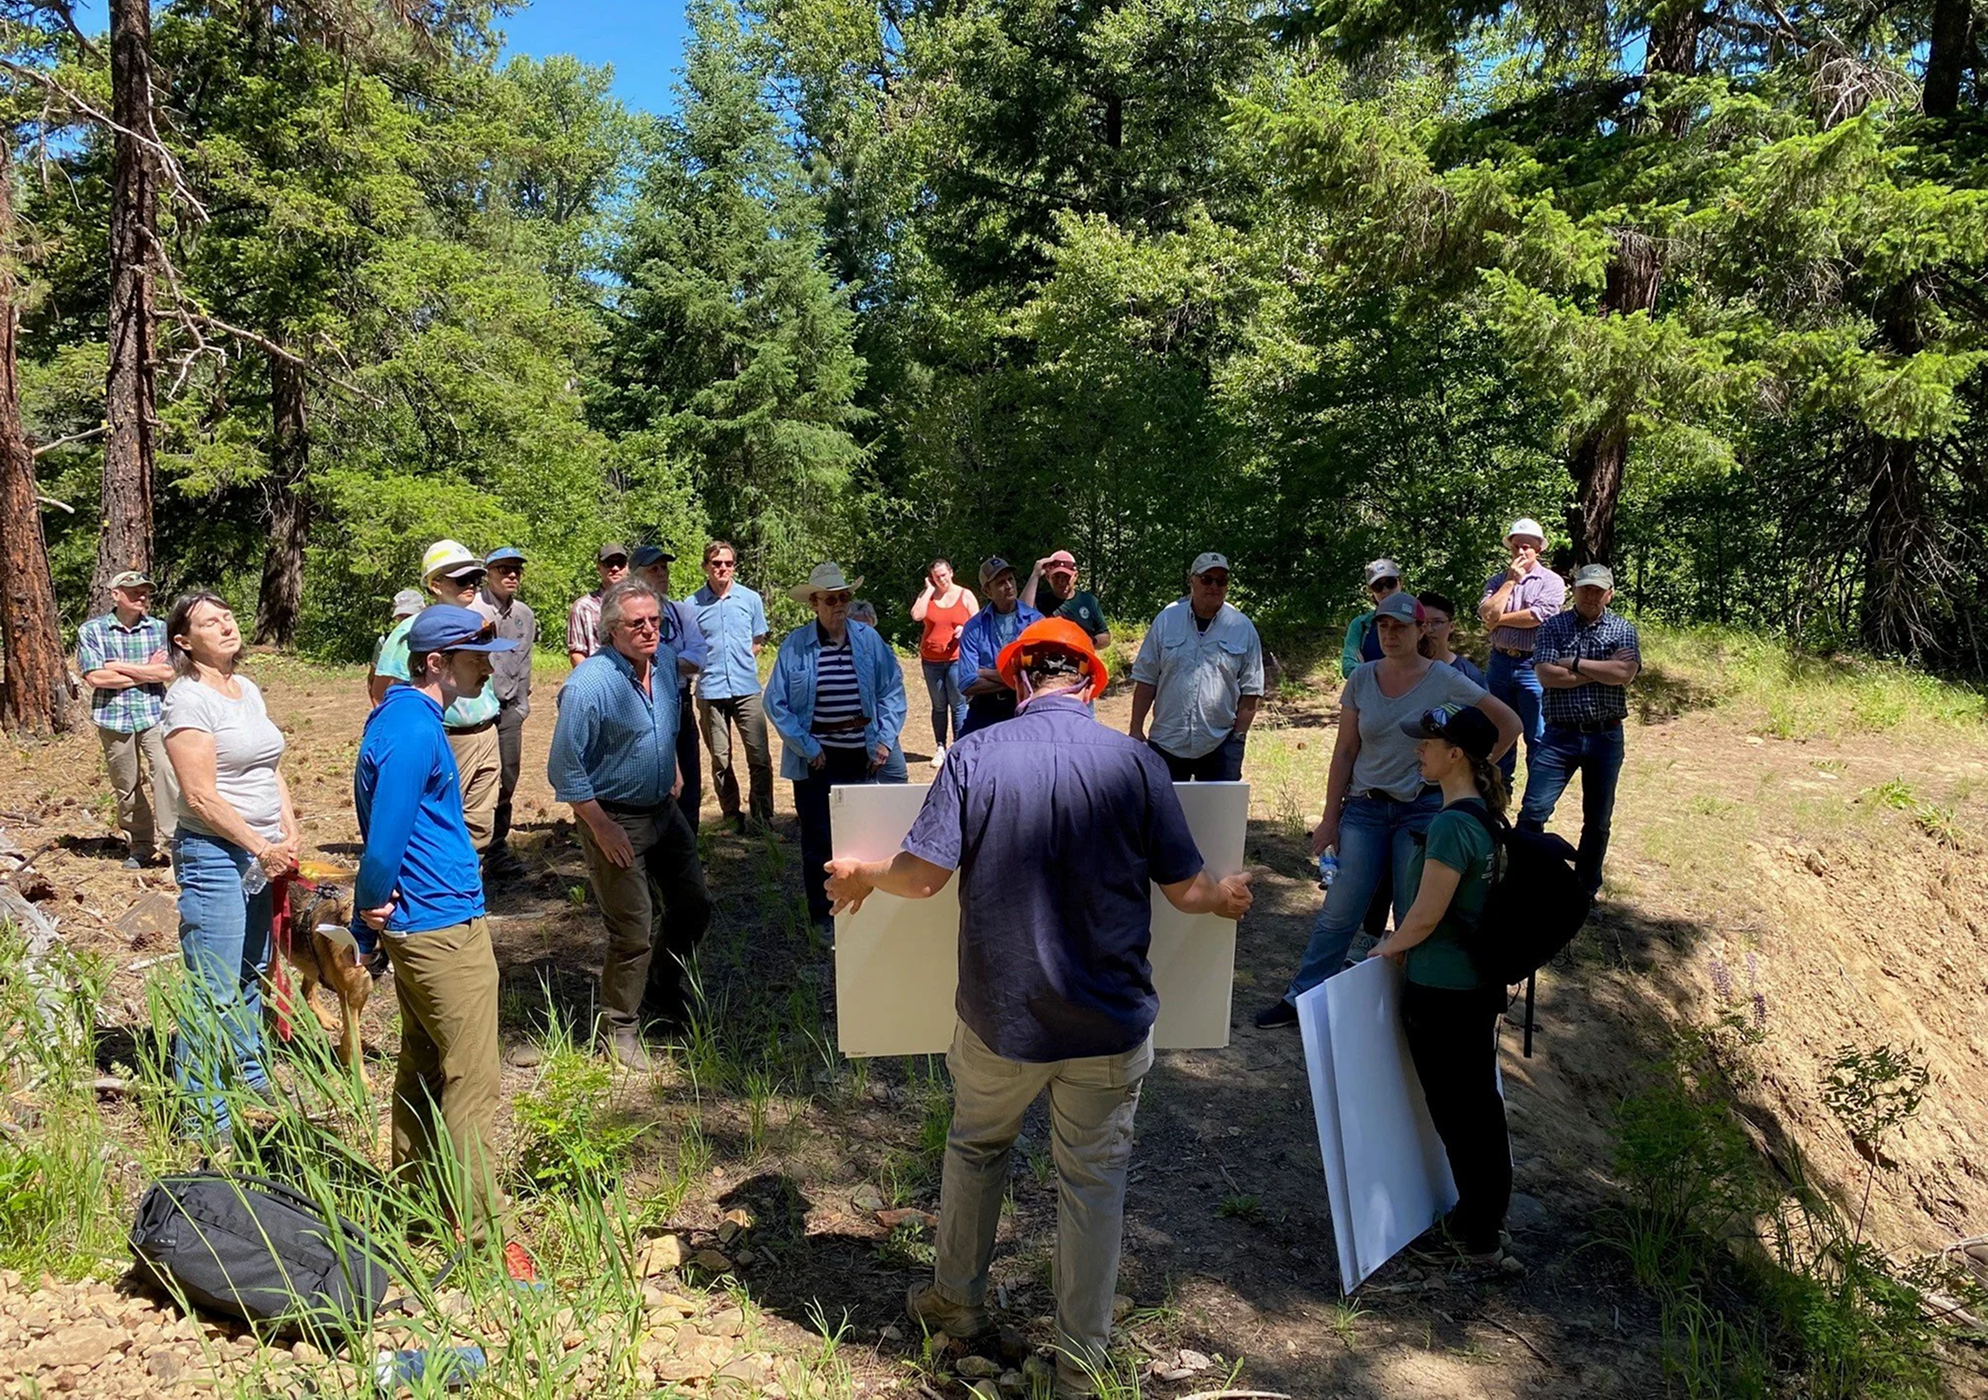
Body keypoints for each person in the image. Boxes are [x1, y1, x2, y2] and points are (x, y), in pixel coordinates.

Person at [822, 618, 1253, 1397]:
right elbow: (1189, 890)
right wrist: (1224, 898)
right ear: (1091, 682)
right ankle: (1081, 1365)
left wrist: (861, 874)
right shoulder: (1138, 762)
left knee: (977, 1149)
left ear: (1020, 681)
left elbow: (921, 879)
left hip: (1003, 1019)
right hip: (1109, 1024)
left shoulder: (975, 755)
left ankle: (956, 1301)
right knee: (1093, 1183)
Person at [1254, 590, 1520, 1028]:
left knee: (1415, 913)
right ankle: (1301, 998)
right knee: (1339, 911)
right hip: (1365, 808)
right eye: (1383, 626)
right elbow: (1345, 750)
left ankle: (1403, 1009)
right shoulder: (1361, 678)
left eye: (1401, 626)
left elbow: (1509, 723)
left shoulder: (1445, 678)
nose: (1391, 635)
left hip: (1421, 811)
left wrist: (1471, 769)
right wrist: (1330, 817)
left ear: (1422, 630)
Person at [353, 605, 515, 1231]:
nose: (487, 670)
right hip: (441, 928)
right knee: (472, 1081)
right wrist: (370, 912)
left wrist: (377, 919)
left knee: (423, 1067)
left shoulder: (403, 718)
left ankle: (413, 1205)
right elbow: (383, 846)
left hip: (428, 922)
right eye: (477, 659)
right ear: (437, 663)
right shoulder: (415, 731)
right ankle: (482, 1235)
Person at [1366, 703, 1515, 1265]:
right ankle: (1483, 1218)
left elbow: (1427, 915)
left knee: (1459, 1112)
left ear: (1456, 755)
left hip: (1441, 991)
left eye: (1428, 744)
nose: (1418, 750)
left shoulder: (1453, 824)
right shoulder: (1488, 819)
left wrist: (1389, 946)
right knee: (1479, 1106)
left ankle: (1477, 1236)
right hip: (1474, 987)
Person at [547, 580, 714, 1067]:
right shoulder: (588, 686)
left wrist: (674, 766)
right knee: (632, 928)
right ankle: (618, 1026)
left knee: (693, 905)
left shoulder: (662, 669)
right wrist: (601, 826)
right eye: (636, 623)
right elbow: (563, 768)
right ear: (610, 630)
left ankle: (662, 985)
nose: (648, 630)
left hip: (663, 810)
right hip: (614, 818)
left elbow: (667, 726)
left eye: (655, 621)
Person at [159, 591, 301, 1137]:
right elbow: (199, 796)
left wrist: (287, 826)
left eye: (227, 616)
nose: (224, 625)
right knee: (212, 986)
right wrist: (259, 846)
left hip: (260, 853)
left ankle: (248, 1071)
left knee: (250, 974)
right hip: (215, 854)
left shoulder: (247, 690)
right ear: (183, 641)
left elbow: (269, 767)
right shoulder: (188, 701)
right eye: (208, 621)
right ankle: (202, 1113)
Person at [764, 563, 907, 939]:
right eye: (831, 599)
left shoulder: (868, 640)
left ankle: (866, 909)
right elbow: (775, 702)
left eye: (844, 597)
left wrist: (885, 740)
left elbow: (893, 690)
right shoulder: (795, 645)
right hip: (816, 757)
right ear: (814, 603)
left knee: (865, 836)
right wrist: (807, 747)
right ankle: (823, 917)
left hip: (862, 753)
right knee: (817, 838)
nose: (839, 604)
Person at [375, 541, 505, 853]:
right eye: (461, 580)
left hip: (485, 733)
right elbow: (385, 692)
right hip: (447, 738)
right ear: (435, 585)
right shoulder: (412, 631)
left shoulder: (481, 622)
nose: (471, 586)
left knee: (480, 826)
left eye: (475, 579)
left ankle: (469, 887)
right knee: (440, 823)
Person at [1522, 564, 1641, 896]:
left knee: (1598, 820)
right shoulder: (1553, 627)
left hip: (1606, 735)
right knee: (1534, 810)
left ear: (1610, 594)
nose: (1591, 595)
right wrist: (1605, 669)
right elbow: (1546, 675)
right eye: (1585, 588)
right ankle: (1522, 878)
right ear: (1574, 590)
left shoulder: (1623, 629)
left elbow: (1626, 673)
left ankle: (1586, 888)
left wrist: (1573, 663)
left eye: (1598, 590)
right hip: (1560, 735)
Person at [1128, 552, 1265, 782]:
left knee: (1217, 818)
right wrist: (1135, 729)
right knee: (1162, 816)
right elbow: (1146, 679)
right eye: (1206, 579)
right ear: (1192, 580)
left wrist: (1238, 737)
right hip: (1166, 743)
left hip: (1219, 746)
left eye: (1221, 581)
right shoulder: (1166, 621)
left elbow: (1251, 690)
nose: (1214, 586)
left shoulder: (1242, 627)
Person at [77, 570, 178, 868]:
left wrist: (119, 666)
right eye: (134, 591)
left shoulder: (160, 628)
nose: (142, 596)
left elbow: (167, 672)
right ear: (116, 594)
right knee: (126, 781)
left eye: (145, 591)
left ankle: (175, 843)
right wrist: (145, 670)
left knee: (166, 771)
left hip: (154, 712)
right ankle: (141, 844)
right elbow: (95, 677)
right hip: (112, 717)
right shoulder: (92, 631)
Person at [691, 540, 775, 833]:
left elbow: (757, 640)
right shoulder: (691, 605)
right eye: (716, 564)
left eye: (727, 563)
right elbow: (689, 647)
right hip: (710, 691)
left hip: (746, 688)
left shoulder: (750, 599)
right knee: (720, 759)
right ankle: (731, 816)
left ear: (734, 566)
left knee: (760, 757)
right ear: (705, 567)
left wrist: (739, 660)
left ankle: (764, 818)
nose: (722, 569)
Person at [1477, 519, 1565, 782]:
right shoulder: (1497, 581)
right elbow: (1486, 612)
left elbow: (1538, 616)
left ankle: (1537, 797)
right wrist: (1510, 583)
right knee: (1499, 730)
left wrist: (1498, 619)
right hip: (1499, 664)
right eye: (1516, 546)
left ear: (1539, 548)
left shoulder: (1552, 581)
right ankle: (1500, 792)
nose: (1520, 552)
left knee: (1537, 734)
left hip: (1533, 666)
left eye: (1526, 546)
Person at [633, 544, 709, 834]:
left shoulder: (681, 612)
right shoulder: (625, 615)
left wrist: (658, 661)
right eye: (654, 568)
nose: (662, 573)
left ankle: (689, 840)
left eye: (664, 567)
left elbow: (699, 656)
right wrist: (676, 661)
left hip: (680, 699)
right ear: (637, 576)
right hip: (641, 701)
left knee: (688, 774)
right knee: (652, 772)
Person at [477, 547, 536, 878]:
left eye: (516, 570)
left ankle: (498, 849)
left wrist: (523, 705)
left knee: (507, 779)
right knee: (474, 782)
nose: (511, 575)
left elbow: (524, 661)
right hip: (476, 713)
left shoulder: (524, 615)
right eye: (503, 569)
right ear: (488, 573)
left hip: (511, 708)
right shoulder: (473, 609)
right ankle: (472, 853)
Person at [955, 558, 1043, 737]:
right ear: (988, 591)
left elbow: (1039, 674)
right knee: (960, 753)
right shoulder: (974, 627)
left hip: (1027, 706)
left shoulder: (1035, 621)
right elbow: (966, 682)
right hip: (985, 709)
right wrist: (1017, 678)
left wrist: (985, 672)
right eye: (1001, 582)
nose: (1009, 585)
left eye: (1011, 579)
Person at [912, 559, 977, 759]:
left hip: (957, 658)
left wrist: (964, 628)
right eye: (936, 577)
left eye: (943, 575)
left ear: (951, 572)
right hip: (931, 660)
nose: (941, 580)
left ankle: (958, 746)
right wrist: (929, 591)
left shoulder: (965, 595)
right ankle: (940, 746)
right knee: (939, 705)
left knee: (958, 704)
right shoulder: (928, 595)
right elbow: (916, 615)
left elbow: (978, 622)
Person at [1024, 550, 1110, 646]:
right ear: (1048, 577)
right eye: (1056, 577)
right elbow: (1019, 613)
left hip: (1080, 656)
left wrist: (1086, 642)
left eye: (1066, 577)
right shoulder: (1040, 601)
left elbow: (1105, 636)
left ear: (1075, 576)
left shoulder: (1089, 601)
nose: (1061, 582)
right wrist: (1035, 575)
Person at [567, 543, 631, 669]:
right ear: (598, 568)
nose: (615, 568)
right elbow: (577, 654)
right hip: (598, 677)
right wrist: (592, 681)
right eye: (609, 564)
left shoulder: (639, 603)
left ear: (627, 567)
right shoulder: (583, 607)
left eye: (620, 563)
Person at [1340, 559, 1402, 678]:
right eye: (1378, 586)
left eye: (1390, 583)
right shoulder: (1360, 625)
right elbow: (1348, 668)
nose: (1385, 590)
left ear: (1401, 583)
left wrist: (1366, 670)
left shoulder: (1420, 619)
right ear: (1370, 591)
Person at [368, 590, 427, 706]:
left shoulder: (431, 638)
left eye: (409, 615)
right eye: (401, 615)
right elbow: (373, 678)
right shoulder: (385, 641)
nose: (405, 620)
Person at [1418, 591, 1487, 687]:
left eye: (1437, 622)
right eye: (1422, 623)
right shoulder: (1401, 670)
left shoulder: (1468, 674)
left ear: (1451, 626)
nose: (1429, 629)